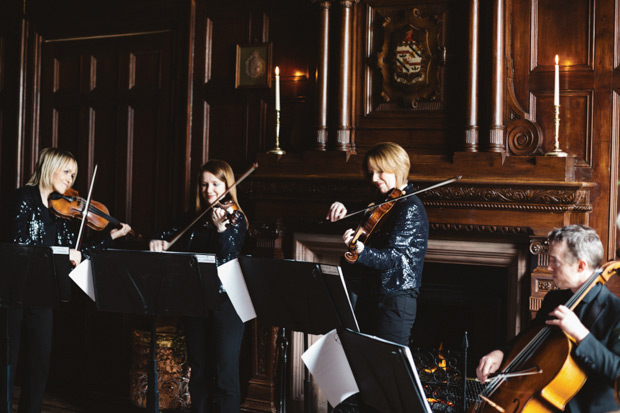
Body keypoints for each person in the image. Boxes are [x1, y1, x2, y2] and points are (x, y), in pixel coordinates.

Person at [1, 147, 132, 413]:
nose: (71, 180)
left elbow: (76, 254)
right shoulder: (22, 198)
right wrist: (61, 256)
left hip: (43, 293)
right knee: (7, 361)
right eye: (67, 171)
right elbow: (18, 246)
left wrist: (111, 237)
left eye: (74, 175)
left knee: (40, 360)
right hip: (12, 292)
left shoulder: (62, 212)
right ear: (49, 167)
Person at [475, 224, 620, 412]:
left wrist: (580, 334)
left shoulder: (615, 312)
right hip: (542, 402)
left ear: (581, 265)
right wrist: (501, 353)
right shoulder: (555, 298)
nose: (548, 266)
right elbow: (529, 338)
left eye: (555, 261)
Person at [149, 159, 247, 413]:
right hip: (197, 298)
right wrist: (158, 242)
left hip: (228, 302)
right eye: (204, 185)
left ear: (227, 184)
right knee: (199, 370)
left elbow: (228, 255)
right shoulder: (192, 218)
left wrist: (221, 229)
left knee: (225, 373)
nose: (209, 190)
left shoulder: (236, 218)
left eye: (215, 183)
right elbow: (164, 233)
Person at [326, 142, 429, 346]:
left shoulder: (409, 207)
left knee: (389, 369)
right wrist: (342, 208)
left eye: (380, 172)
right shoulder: (383, 201)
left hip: (395, 299)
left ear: (398, 169)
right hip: (372, 294)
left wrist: (361, 251)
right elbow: (368, 223)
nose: (374, 179)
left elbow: (391, 258)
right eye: (372, 172)